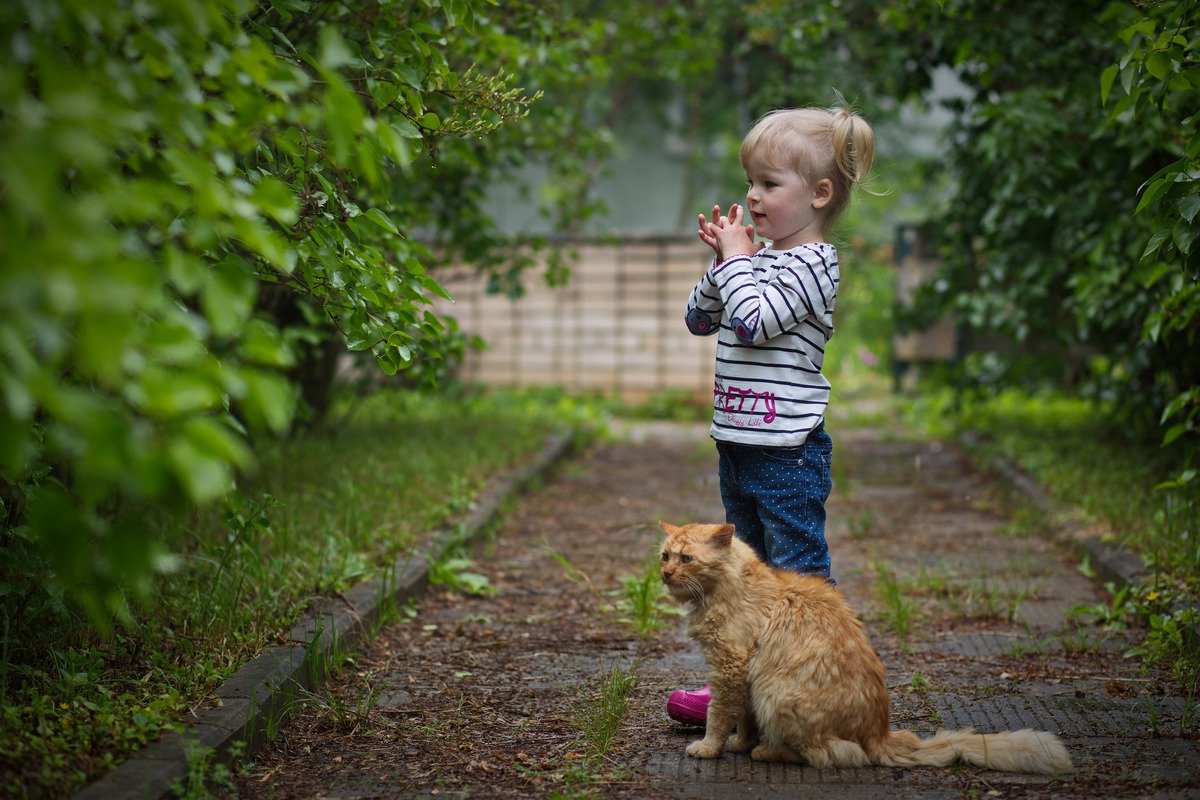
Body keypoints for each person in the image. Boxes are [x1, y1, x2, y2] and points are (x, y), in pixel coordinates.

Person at [667, 103, 875, 726]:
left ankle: (820, 683)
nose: (752, 196)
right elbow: (701, 319)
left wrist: (737, 261)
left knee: (797, 572)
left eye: (769, 183)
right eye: (750, 182)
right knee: (742, 579)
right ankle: (745, 685)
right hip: (739, 446)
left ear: (818, 194)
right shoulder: (753, 262)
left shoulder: (816, 265)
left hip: (787, 450)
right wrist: (724, 261)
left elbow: (754, 323)